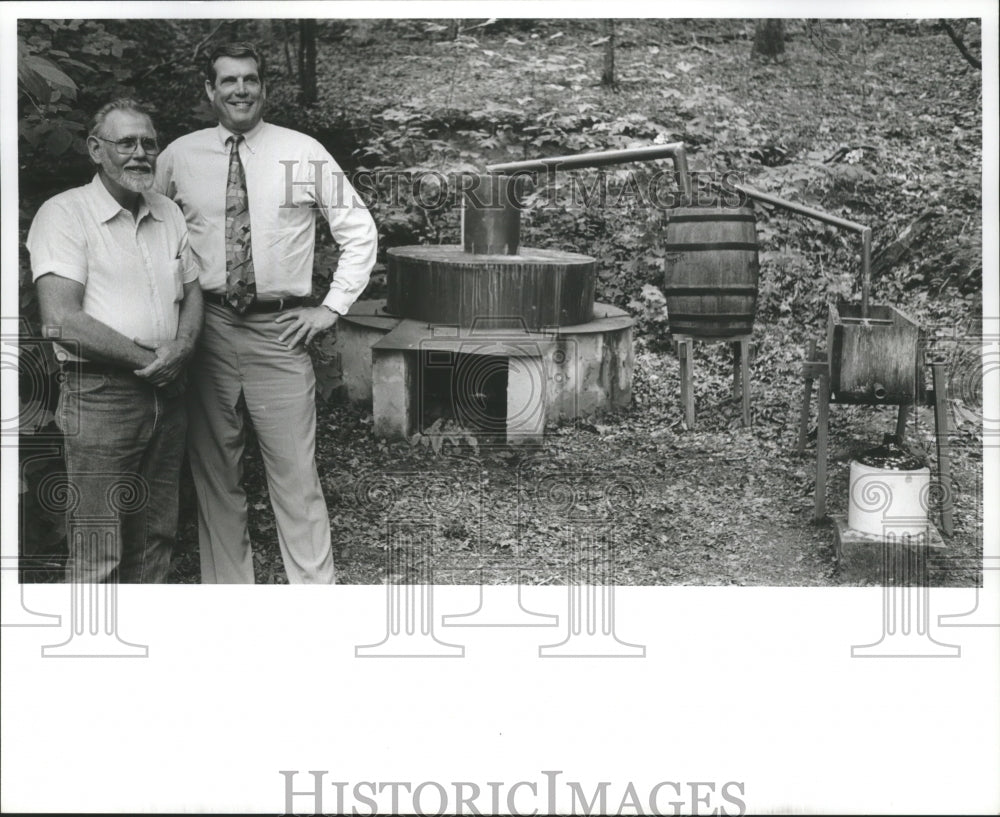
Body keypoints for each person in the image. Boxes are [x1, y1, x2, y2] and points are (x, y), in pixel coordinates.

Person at [155, 42, 377, 584]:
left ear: (263, 87)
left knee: (296, 474)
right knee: (215, 472)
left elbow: (359, 230)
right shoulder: (179, 156)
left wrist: (330, 309)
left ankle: (313, 596)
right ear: (210, 90)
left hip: (280, 329)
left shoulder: (302, 152)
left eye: (249, 80)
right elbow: (149, 230)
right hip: (206, 327)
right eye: (227, 81)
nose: (240, 90)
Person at [27, 98, 203, 583]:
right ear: (95, 149)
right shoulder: (63, 215)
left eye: (149, 142)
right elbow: (61, 319)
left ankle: (143, 651)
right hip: (101, 396)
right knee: (97, 548)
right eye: (126, 142)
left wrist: (183, 346)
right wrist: (155, 360)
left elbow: (192, 293)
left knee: (154, 539)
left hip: (168, 394)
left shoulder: (168, 212)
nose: (140, 152)